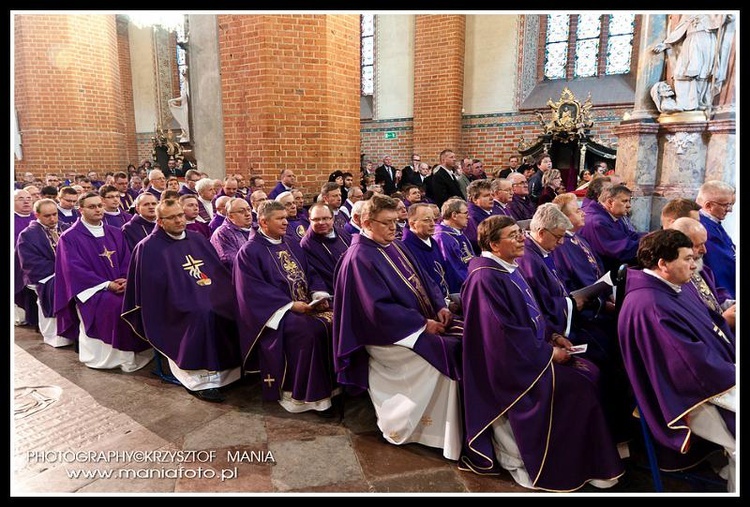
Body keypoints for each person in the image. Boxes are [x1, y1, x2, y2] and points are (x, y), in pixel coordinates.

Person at [459, 215, 624, 491]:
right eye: (513, 235)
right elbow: (504, 334)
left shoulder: (508, 267)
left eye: (519, 232)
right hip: (511, 367)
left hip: (531, 353)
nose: (521, 238)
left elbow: (531, 312)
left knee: (591, 371)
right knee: (578, 385)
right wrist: (549, 353)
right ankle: (566, 463)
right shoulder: (485, 277)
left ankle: (589, 457)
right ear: (493, 244)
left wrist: (553, 334)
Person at [332, 194, 463, 460]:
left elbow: (425, 279)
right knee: (447, 352)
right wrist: (421, 323)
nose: (395, 228)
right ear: (367, 223)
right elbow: (376, 310)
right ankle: (429, 430)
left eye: (397, 222)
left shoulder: (393, 245)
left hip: (414, 325)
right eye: (388, 222)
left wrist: (440, 306)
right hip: (387, 336)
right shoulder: (359, 257)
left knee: (465, 335)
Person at [618, 229, 735, 491]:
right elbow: (687, 365)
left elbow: (709, 326)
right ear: (663, 264)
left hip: (708, 379)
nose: (694, 266)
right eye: (687, 259)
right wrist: (732, 372)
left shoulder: (670, 288)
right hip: (682, 397)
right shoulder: (650, 304)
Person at [122, 199, 243, 403]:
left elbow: (217, 271)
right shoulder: (148, 248)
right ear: (160, 222)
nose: (179, 221)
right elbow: (152, 289)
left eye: (180, 215)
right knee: (201, 314)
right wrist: (187, 296)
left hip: (207, 292)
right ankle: (202, 382)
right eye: (172, 217)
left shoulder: (197, 239)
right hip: (173, 303)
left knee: (232, 304)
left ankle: (231, 372)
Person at [233, 200, 337, 416]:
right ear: (263, 221)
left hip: (306, 305)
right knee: (309, 332)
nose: (286, 223)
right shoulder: (249, 252)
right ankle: (307, 397)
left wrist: (318, 295)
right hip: (277, 313)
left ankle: (334, 387)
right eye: (279, 219)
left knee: (338, 319)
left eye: (286, 218)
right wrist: (290, 305)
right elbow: (251, 291)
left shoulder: (290, 242)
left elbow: (310, 272)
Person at [54, 192, 153, 372]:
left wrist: (125, 279)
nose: (98, 209)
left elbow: (127, 259)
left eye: (99, 205)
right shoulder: (69, 237)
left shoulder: (115, 232)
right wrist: (107, 285)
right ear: (80, 210)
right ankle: (120, 357)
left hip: (120, 285)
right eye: (92, 207)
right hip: (92, 291)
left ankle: (139, 351)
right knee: (116, 307)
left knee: (139, 301)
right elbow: (73, 270)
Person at [17, 198, 72, 347]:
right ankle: (58, 335)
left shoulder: (65, 227)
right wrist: (61, 270)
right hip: (44, 276)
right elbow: (30, 262)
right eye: (47, 216)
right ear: (37, 215)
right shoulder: (28, 235)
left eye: (55, 214)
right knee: (58, 287)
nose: (53, 218)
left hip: (68, 272)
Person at [653, 14, 734, 112]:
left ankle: (700, 102)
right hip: (690, 41)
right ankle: (684, 103)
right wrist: (666, 44)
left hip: (707, 40)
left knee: (703, 73)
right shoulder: (687, 13)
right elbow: (680, 28)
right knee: (681, 73)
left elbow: (727, 18)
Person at [669, 217, 735, 330]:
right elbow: (691, 329)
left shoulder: (700, 267)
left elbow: (714, 292)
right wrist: (723, 322)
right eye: (698, 245)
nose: (704, 250)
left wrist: (729, 304)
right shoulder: (675, 280)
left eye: (704, 243)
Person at [578, 184, 645, 274]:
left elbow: (630, 235)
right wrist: (649, 243)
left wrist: (652, 237)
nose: (629, 205)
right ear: (610, 202)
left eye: (629, 201)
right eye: (624, 201)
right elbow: (621, 251)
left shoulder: (612, 215)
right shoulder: (597, 222)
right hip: (603, 273)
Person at [399, 203, 451, 300]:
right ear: (412, 224)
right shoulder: (406, 248)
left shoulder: (432, 242)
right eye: (427, 220)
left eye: (434, 219)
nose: (432, 224)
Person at [695, 180, 736, 299]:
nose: (730, 210)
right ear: (708, 206)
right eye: (726, 205)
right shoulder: (702, 229)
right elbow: (720, 265)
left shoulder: (713, 222)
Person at [300, 202, 352, 294]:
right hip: (339, 292)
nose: (321, 222)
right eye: (316, 219)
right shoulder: (307, 244)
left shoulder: (342, 233)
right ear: (309, 220)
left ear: (333, 218)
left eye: (325, 218)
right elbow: (320, 276)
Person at [433, 198, 474, 296]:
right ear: (454, 215)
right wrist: (472, 284)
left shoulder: (457, 232)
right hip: (461, 289)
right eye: (466, 213)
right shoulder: (442, 237)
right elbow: (453, 268)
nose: (469, 217)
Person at [210, 196, 254, 270]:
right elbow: (232, 261)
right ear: (230, 216)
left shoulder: (257, 228)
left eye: (249, 210)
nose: (247, 214)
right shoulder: (222, 233)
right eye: (241, 211)